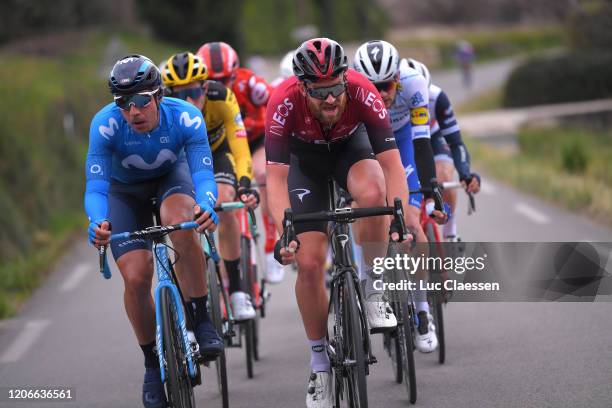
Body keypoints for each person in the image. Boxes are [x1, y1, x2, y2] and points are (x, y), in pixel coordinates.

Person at [266, 37, 417, 406]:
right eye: (321, 93)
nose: (331, 99)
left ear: (345, 80)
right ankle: (319, 365)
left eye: (336, 88)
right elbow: (274, 178)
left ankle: (372, 284)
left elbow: (392, 164)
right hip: (306, 165)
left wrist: (399, 216)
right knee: (310, 261)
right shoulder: (282, 101)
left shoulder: (362, 91)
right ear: (303, 88)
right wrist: (284, 230)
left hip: (352, 149)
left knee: (372, 193)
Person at [85, 54, 223, 408]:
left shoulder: (186, 117)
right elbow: (97, 188)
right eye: (124, 104)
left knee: (182, 221)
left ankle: (201, 316)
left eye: (142, 101)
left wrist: (206, 204)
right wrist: (99, 221)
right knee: (136, 276)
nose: (134, 111)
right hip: (124, 194)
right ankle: (151, 366)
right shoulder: (105, 125)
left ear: (159, 96)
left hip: (170, 182)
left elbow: (203, 174)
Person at [354, 40, 447, 353]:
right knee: (369, 211)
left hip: (404, 142)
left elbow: (423, 143)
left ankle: (422, 310)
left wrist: (430, 183)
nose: (381, 94)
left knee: (409, 221)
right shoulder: (350, 91)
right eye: (373, 87)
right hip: (366, 143)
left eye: (387, 85)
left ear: (398, 78)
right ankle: (373, 285)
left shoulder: (414, 84)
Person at [161, 51, 260, 321]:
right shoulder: (163, 111)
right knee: (180, 222)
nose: (188, 101)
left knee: (225, 202)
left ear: (205, 87)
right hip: (181, 163)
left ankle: (238, 292)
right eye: (179, 96)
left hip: (216, 156)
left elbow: (240, 147)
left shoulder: (222, 97)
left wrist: (244, 183)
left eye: (193, 92)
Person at [196, 42, 285, 284]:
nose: (220, 86)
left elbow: (279, 104)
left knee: (262, 175)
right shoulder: (198, 97)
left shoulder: (250, 85)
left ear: (235, 74)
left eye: (226, 80)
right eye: (213, 80)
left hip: (255, 139)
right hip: (223, 146)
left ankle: (269, 246)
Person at [404, 58, 481, 242]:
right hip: (405, 140)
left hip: (433, 137)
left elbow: (456, 142)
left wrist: (465, 173)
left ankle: (450, 232)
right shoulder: (393, 97)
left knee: (444, 176)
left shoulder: (437, 97)